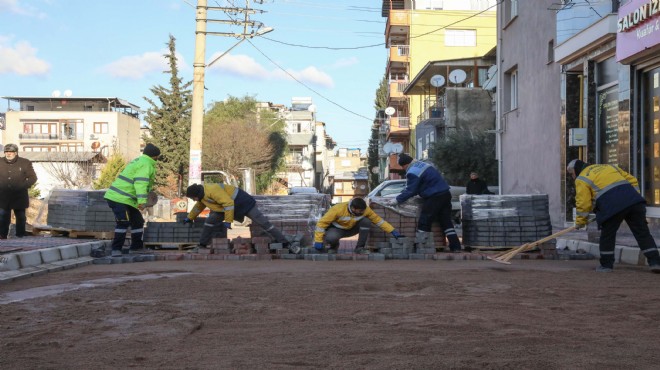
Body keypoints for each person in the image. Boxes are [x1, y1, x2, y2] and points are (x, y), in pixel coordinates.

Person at [567, 159, 660, 273]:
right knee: (642, 233)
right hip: (634, 203)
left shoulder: (582, 178)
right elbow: (633, 180)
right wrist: (632, 197)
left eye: (571, 174)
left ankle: (606, 265)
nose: (572, 177)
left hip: (612, 206)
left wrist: (580, 221)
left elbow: (583, 203)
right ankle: (655, 262)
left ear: (576, 170)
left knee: (607, 235)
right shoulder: (608, 167)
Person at [185, 183, 301, 254]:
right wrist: (190, 217)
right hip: (226, 208)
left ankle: (286, 243)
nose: (194, 200)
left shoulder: (212, 190)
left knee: (263, 223)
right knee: (209, 221)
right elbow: (198, 207)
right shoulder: (202, 197)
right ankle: (202, 245)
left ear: (196, 194)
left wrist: (228, 221)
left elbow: (229, 203)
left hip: (242, 202)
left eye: (193, 198)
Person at [393, 153, 463, 252]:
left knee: (424, 221)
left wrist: (397, 200)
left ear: (405, 165)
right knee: (446, 221)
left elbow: (411, 190)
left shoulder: (412, 172)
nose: (404, 169)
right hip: (445, 194)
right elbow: (423, 183)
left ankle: (421, 247)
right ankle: (455, 247)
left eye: (403, 167)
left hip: (434, 197)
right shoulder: (424, 165)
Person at [104, 143, 160, 256]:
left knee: (138, 221)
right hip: (119, 198)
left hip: (125, 199)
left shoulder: (140, 161)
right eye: (157, 157)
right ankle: (116, 250)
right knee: (123, 222)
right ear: (155, 156)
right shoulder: (146, 164)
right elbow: (140, 184)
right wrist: (142, 203)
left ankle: (136, 247)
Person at [313, 197, 402, 254]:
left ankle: (359, 248)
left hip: (352, 229)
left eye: (362, 211)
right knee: (331, 238)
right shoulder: (337, 209)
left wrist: (392, 230)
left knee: (366, 221)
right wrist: (318, 240)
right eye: (359, 211)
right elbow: (321, 224)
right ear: (353, 208)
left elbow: (379, 221)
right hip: (337, 229)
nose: (361, 213)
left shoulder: (365, 210)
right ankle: (333, 247)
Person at [0, 144, 37, 239]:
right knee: (3, 217)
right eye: (7, 152)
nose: (9, 154)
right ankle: (2, 235)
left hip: (19, 195)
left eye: (11, 152)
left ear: (16, 153)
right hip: (3, 195)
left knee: (20, 217)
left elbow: (33, 178)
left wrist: (23, 186)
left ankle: (20, 235)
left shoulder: (25, 163)